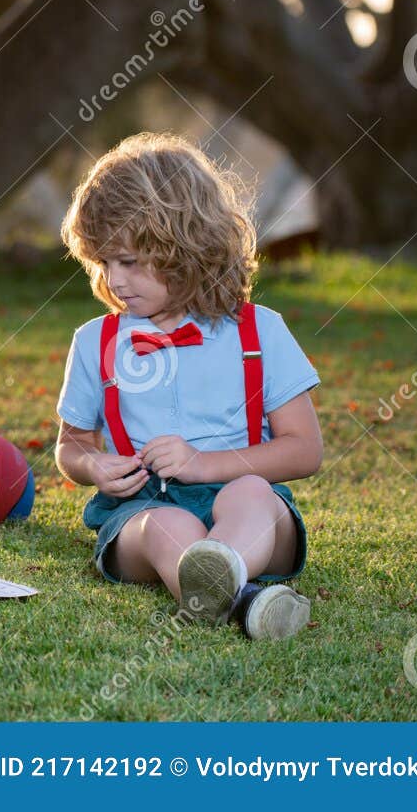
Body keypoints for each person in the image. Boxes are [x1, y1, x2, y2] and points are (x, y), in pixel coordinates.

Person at [53, 133, 323, 640]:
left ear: (186, 247)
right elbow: (71, 445)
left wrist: (204, 465)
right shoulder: (97, 341)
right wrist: (92, 465)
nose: (114, 280)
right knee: (164, 527)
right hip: (143, 508)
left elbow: (305, 450)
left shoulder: (258, 331)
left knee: (249, 496)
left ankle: (221, 580)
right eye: (103, 262)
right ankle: (245, 601)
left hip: (252, 513)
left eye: (129, 262)